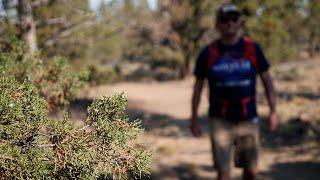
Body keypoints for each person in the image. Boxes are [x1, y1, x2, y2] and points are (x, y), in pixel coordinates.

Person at [190, 3, 277, 180]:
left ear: (239, 23)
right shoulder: (208, 52)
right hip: (219, 120)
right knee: (223, 173)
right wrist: (193, 118)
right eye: (224, 19)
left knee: (251, 171)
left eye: (234, 18)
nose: (229, 23)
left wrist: (273, 111)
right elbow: (198, 87)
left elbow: (267, 80)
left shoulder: (252, 48)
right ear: (217, 24)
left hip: (248, 119)